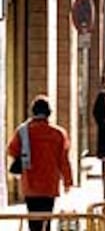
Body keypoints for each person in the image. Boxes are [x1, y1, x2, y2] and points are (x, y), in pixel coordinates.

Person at [8, 95, 73, 231]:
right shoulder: (59, 134)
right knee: (46, 220)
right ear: (49, 113)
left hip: (30, 183)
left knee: (33, 221)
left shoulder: (23, 131)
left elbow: (12, 150)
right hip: (50, 184)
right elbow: (63, 160)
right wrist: (67, 181)